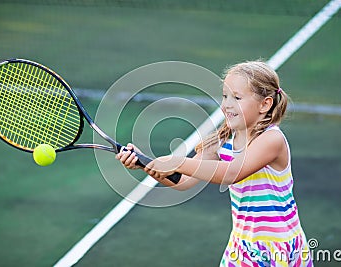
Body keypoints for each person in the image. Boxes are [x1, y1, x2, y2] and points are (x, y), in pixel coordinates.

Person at [116, 60, 313, 266]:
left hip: (278, 247)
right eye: (225, 96)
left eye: (236, 98)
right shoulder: (222, 139)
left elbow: (230, 173)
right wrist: (143, 163)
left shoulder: (271, 139)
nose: (227, 104)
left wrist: (176, 162)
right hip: (241, 248)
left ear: (265, 104)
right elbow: (183, 181)